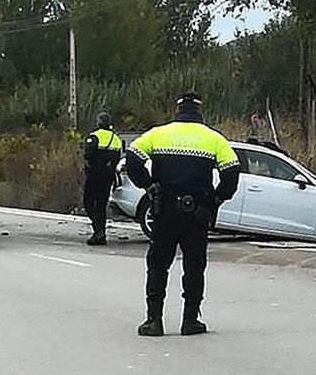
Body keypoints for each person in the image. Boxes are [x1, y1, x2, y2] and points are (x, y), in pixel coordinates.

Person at [126, 93, 240, 336]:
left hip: (164, 210)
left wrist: (148, 185)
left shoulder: (158, 134)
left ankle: (154, 321)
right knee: (195, 266)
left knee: (158, 265)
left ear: (176, 110)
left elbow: (132, 158)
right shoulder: (214, 138)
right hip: (197, 214)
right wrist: (215, 200)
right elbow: (231, 173)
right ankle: (190, 321)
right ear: (200, 112)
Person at [82, 112, 122, 246]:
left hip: (95, 174)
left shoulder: (95, 136)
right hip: (109, 175)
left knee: (88, 202)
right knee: (101, 205)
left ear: (99, 123)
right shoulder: (116, 139)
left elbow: (87, 154)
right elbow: (118, 157)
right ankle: (101, 234)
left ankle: (98, 230)